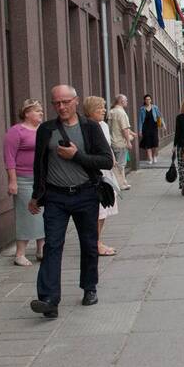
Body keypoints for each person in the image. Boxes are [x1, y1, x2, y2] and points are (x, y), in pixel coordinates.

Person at [28, 85, 113, 318]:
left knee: (88, 243)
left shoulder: (91, 127)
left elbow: (106, 161)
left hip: (85, 194)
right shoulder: (46, 130)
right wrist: (36, 196)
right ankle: (48, 299)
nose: (61, 107)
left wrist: (77, 156)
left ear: (76, 101)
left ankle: (89, 288)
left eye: (65, 102)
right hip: (56, 196)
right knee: (52, 246)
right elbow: (39, 165)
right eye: (56, 103)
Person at [4, 98, 46, 266]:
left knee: (43, 214)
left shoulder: (42, 130)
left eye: (41, 110)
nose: (41, 113)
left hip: (41, 179)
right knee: (26, 215)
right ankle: (19, 254)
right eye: (37, 110)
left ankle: (41, 249)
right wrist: (12, 181)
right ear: (27, 113)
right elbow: (9, 157)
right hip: (23, 180)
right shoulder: (16, 131)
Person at [82, 97, 119, 256]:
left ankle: (97, 240)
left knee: (104, 208)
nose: (104, 110)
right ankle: (95, 244)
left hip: (106, 170)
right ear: (91, 110)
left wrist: (112, 158)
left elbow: (106, 146)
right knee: (98, 210)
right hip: (95, 172)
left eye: (104, 107)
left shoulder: (103, 125)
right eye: (100, 108)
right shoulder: (85, 127)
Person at [107, 95, 135, 189]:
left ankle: (122, 182)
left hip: (112, 141)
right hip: (120, 142)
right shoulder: (121, 113)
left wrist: (132, 133)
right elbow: (124, 129)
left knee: (117, 164)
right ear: (121, 101)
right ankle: (121, 184)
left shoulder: (111, 112)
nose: (127, 101)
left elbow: (116, 127)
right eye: (126, 100)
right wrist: (128, 141)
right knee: (121, 165)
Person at [137, 94, 161, 164]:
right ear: (144, 100)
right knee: (148, 144)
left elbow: (159, 117)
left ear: (151, 100)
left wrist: (161, 126)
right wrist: (140, 130)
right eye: (146, 99)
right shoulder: (142, 109)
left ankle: (154, 156)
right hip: (146, 128)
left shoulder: (155, 108)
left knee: (155, 143)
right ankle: (150, 159)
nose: (148, 101)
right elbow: (140, 121)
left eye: (149, 99)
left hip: (154, 127)